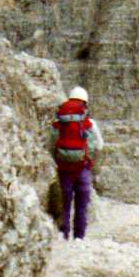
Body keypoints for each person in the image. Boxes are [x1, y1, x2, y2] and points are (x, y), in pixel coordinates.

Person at [50, 86, 103, 239]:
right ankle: (79, 236)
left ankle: (64, 233)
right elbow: (99, 144)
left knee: (65, 202)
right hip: (83, 167)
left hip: (64, 167)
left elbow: (51, 143)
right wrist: (89, 159)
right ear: (85, 102)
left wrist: (59, 158)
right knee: (81, 203)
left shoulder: (59, 120)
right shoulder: (89, 122)